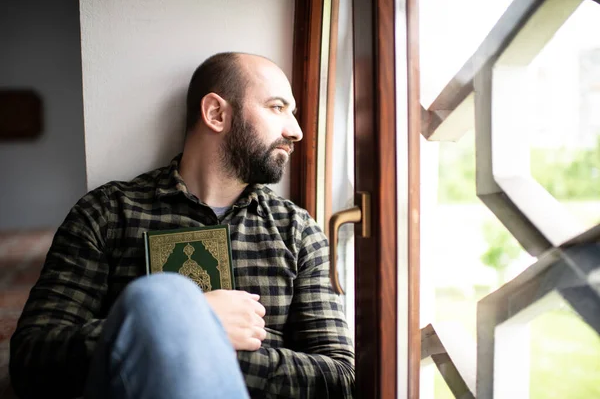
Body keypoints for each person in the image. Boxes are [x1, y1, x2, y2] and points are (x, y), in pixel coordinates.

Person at [9, 52, 355, 399]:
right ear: (216, 113)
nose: (295, 131)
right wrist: (180, 319)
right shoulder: (108, 214)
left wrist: (202, 343)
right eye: (277, 107)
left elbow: (339, 377)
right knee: (159, 297)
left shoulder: (295, 230)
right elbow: (31, 360)